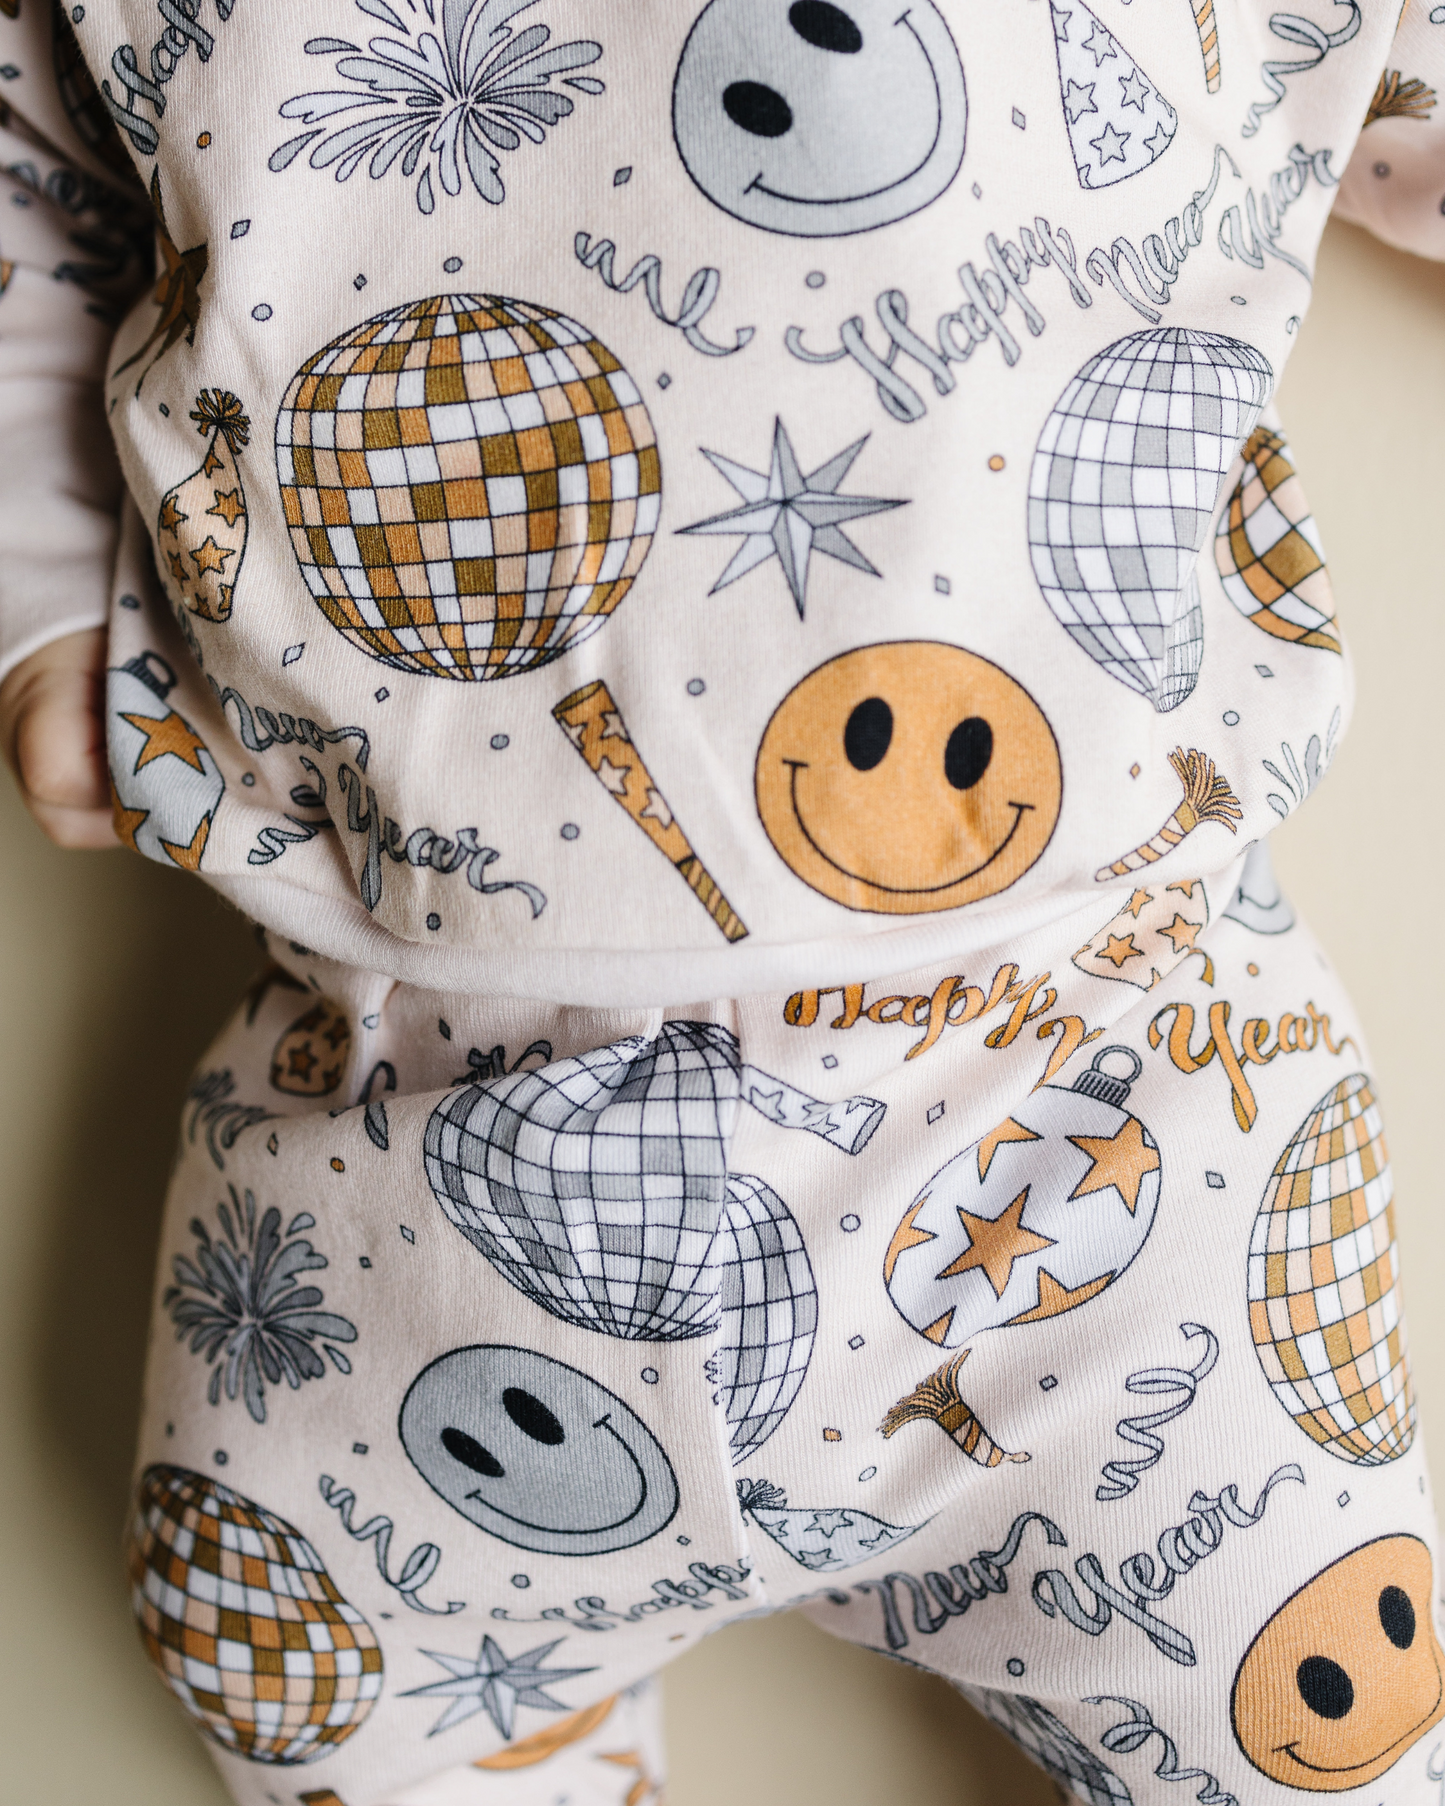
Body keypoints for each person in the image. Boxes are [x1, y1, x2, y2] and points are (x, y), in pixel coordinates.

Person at [3, 2, 1444, 1801]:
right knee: (278, 1657)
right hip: (398, 1112)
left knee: (1318, 1729)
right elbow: (37, 165)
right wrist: (45, 579)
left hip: (1098, 1090)